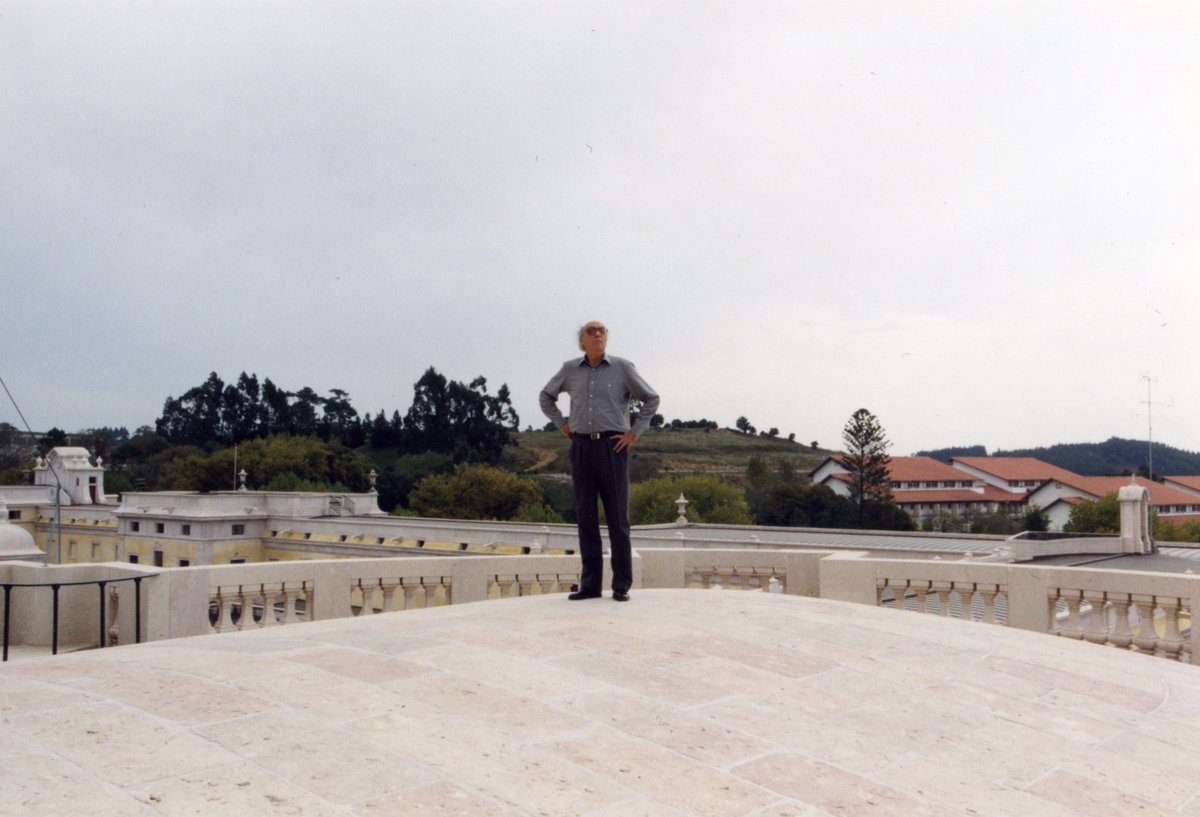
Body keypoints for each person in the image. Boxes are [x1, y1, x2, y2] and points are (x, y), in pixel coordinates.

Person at [539, 321, 660, 602]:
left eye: (601, 331)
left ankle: (621, 585)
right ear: (581, 341)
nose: (597, 335)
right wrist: (561, 423)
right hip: (581, 446)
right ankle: (590, 585)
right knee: (586, 517)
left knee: (618, 517)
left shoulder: (623, 368)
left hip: (613, 447)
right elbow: (546, 396)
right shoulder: (570, 369)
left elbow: (651, 399)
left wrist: (633, 434)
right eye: (591, 332)